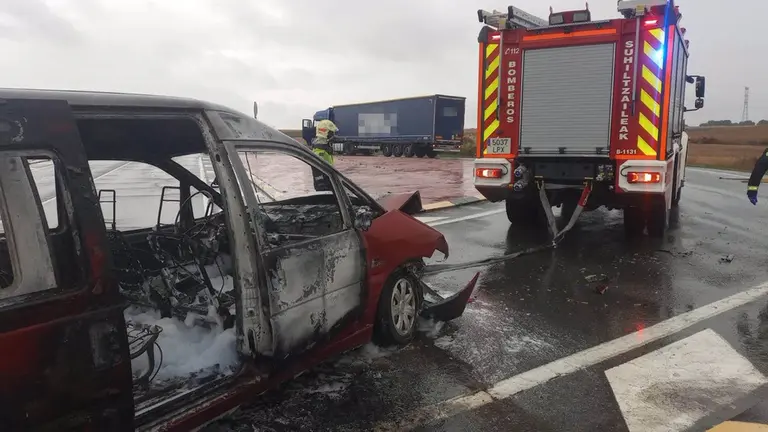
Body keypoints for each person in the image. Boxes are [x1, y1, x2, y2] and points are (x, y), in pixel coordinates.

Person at [310, 119, 339, 191]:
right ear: (327, 133)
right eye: (332, 133)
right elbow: (317, 173)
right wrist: (323, 185)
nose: (333, 136)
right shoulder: (320, 152)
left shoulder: (324, 149)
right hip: (325, 188)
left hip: (329, 184)